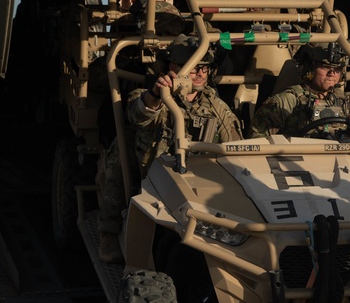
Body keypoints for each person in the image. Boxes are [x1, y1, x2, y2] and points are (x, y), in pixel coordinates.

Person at [98, 40, 242, 263]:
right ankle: (108, 231)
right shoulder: (151, 94)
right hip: (152, 178)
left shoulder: (216, 106)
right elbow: (138, 114)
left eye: (205, 68)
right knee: (121, 146)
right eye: (194, 67)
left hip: (196, 184)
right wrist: (156, 94)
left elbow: (235, 148)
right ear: (173, 68)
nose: (200, 74)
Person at [249, 42, 350, 140]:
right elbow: (257, 137)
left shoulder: (348, 102)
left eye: (337, 69)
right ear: (310, 69)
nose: (332, 73)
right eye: (325, 67)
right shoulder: (287, 101)